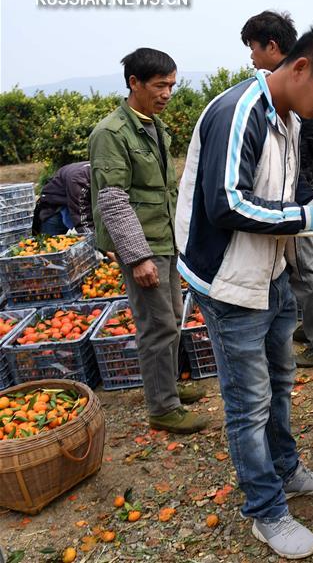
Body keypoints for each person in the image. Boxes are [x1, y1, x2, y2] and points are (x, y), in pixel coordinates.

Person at [176, 23, 313, 559]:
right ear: (301, 68)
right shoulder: (239, 112)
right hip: (231, 282)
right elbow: (225, 204)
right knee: (247, 401)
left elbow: (281, 188)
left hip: (271, 272)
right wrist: (306, 214)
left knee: (281, 379)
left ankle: (286, 470)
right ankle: (266, 511)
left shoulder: (289, 117)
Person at [89, 48, 208, 434]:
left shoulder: (152, 125)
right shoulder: (112, 133)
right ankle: (162, 407)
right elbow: (112, 199)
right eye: (160, 85)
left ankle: (168, 386)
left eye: (172, 85)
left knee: (172, 318)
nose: (167, 93)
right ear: (134, 83)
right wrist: (137, 257)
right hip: (143, 245)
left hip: (165, 239)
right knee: (157, 326)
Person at [242, 10, 313, 367]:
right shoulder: (299, 87)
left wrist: (311, 191)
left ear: (271, 46)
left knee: (306, 272)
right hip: (307, 197)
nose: (252, 57)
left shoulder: (296, 94)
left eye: (253, 48)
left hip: (300, 200)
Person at [33, 161, 93, 235]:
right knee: (50, 243)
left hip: (70, 198)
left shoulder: (97, 169)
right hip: (54, 207)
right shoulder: (79, 179)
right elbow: (83, 221)